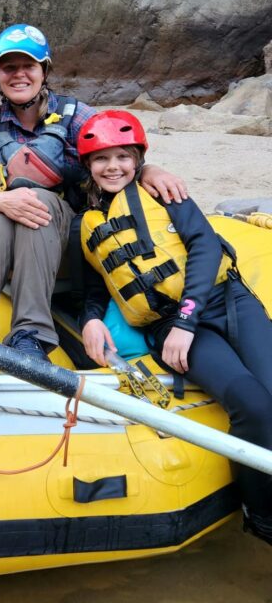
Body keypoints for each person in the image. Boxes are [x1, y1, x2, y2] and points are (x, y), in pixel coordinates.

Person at [77, 109, 272, 547]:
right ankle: (261, 518)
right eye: (101, 158)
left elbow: (204, 247)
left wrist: (187, 317)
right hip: (169, 327)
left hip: (224, 302)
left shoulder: (164, 192)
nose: (113, 167)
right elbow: (95, 286)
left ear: (138, 160)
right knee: (255, 406)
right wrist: (90, 318)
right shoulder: (86, 224)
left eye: (123, 157)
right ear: (87, 165)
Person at [0, 23, 187, 364]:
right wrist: (2, 201)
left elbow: (120, 157)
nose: (19, 75)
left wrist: (150, 169)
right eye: (9, 67)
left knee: (38, 201)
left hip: (73, 242)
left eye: (28, 66)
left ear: (44, 71)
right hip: (9, 242)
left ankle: (31, 335)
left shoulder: (76, 115)